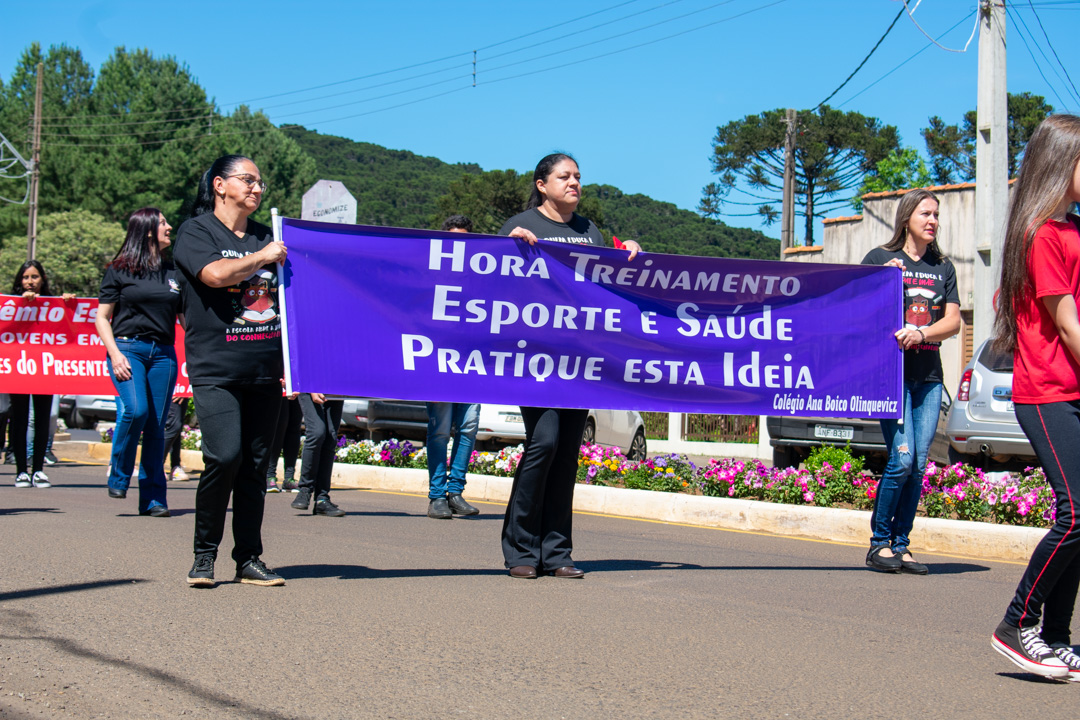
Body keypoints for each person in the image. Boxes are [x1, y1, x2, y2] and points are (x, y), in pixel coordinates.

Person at [497, 153, 641, 579]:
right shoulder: (521, 226)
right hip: (534, 360)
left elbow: (608, 280)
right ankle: (521, 549)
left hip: (580, 361)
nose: (574, 182)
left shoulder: (589, 231)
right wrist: (506, 246)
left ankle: (557, 552)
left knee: (567, 456)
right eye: (565, 176)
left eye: (578, 176)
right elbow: (488, 281)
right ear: (542, 184)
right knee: (544, 443)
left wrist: (628, 252)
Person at [989, 113, 1080, 680]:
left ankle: (1055, 637)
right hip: (1047, 393)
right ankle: (1015, 624)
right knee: (1077, 512)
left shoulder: (1075, 229)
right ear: (1062, 164)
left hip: (1075, 390)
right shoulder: (1041, 235)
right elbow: (1068, 327)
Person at [174, 154, 288, 588]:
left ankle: (249, 559)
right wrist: (262, 257)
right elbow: (215, 274)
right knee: (224, 457)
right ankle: (204, 556)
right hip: (216, 369)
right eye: (248, 180)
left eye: (260, 182)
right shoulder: (196, 231)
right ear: (220, 185)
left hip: (265, 370)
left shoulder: (269, 235)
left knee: (256, 467)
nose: (257, 188)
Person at [860, 189, 959, 574]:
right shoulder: (881, 260)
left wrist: (922, 333)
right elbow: (861, 310)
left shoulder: (943, 267)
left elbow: (953, 322)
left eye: (936, 215)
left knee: (919, 464)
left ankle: (902, 545)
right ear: (907, 218)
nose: (933, 220)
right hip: (892, 378)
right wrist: (886, 282)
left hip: (930, 378)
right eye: (926, 213)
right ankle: (878, 544)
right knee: (901, 460)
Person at [95, 207, 181, 517]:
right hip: (127, 350)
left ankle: (154, 499)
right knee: (136, 410)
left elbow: (185, 319)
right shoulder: (118, 269)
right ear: (147, 231)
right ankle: (118, 476)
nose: (169, 227)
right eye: (162, 223)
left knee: (157, 426)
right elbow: (102, 318)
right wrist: (115, 354)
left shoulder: (174, 272)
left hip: (164, 356)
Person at [425, 214, 481, 520]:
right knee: (440, 430)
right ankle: (437, 496)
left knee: (469, 427)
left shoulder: (481, 278)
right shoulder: (432, 273)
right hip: (439, 364)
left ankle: (456, 491)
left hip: (473, 364)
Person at [9, 261, 73, 488]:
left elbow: (68, 329)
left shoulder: (52, 304)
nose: (30, 281)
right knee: (19, 419)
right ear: (19, 280)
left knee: (43, 419)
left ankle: (38, 470)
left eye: (35, 277)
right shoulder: (9, 304)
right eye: (25, 277)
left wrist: (68, 305)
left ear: (42, 280)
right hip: (18, 368)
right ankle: (20, 472)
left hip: (45, 369)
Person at [290, 393, 346, 516]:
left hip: (334, 387)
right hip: (310, 384)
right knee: (316, 432)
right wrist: (312, 388)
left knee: (330, 437)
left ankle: (322, 498)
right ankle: (305, 489)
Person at [266, 397, 302, 492]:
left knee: (294, 427)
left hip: (297, 386)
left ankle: (289, 478)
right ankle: (270, 475)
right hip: (281, 386)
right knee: (279, 426)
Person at [162, 396, 191, 482]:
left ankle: (175, 466)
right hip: (173, 385)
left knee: (178, 426)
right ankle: (156, 467)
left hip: (183, 385)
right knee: (173, 426)